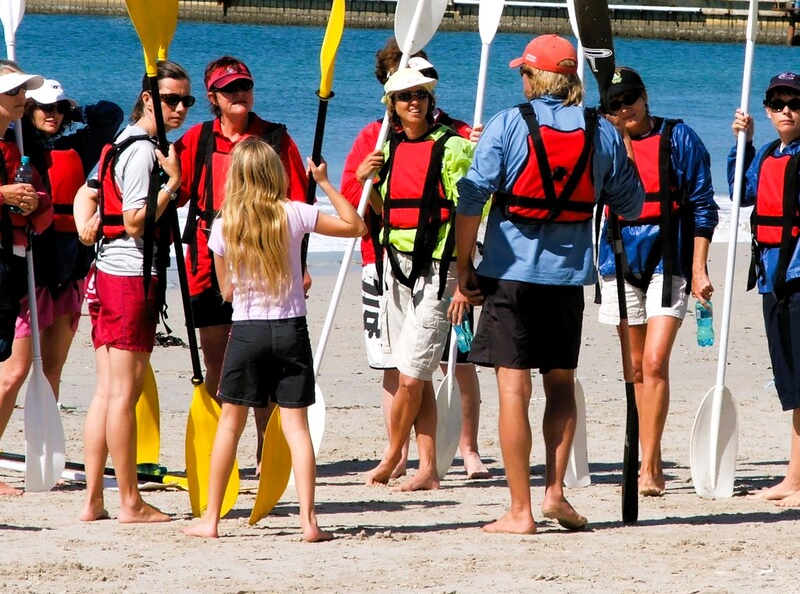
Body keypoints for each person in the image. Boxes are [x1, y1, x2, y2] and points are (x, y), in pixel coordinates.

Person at [455, 35, 644, 534]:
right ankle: (555, 494)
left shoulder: (508, 124)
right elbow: (631, 205)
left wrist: (462, 267)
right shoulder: (601, 132)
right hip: (567, 279)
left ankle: (520, 511)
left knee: (513, 390)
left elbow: (472, 197)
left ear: (535, 78)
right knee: (560, 383)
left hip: (509, 275)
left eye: (523, 72)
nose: (519, 79)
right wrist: (621, 147)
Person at [182, 137, 366, 541]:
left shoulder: (224, 223)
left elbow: (226, 290)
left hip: (247, 332)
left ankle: (211, 521)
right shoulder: (295, 213)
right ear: (276, 173)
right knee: (296, 429)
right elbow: (356, 225)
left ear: (237, 176)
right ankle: (308, 522)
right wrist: (325, 182)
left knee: (230, 426)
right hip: (290, 329)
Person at [340, 39, 488, 480]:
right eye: (404, 92)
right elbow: (368, 209)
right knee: (408, 369)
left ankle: (406, 453)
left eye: (421, 91)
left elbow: (474, 208)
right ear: (389, 93)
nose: (414, 99)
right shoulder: (378, 142)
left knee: (426, 369)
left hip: (442, 271)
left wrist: (465, 277)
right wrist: (360, 181)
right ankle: (425, 465)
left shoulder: (457, 139)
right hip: (391, 265)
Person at [74, 60, 193, 523]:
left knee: (106, 393)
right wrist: (175, 185)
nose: (180, 108)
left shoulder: (118, 141)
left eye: (186, 100)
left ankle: (93, 501)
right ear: (148, 100)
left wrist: (87, 226)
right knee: (124, 394)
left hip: (104, 275)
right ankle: (129, 501)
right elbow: (134, 221)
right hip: (129, 279)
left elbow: (89, 191)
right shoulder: (144, 151)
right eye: (170, 99)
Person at [176, 56, 308, 466]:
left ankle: (268, 448)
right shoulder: (196, 141)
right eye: (230, 89)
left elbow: (299, 207)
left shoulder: (276, 139)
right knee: (219, 363)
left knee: (265, 365)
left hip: (265, 263)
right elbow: (175, 195)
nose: (240, 94)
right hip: (206, 261)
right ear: (213, 97)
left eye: (245, 86)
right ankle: (222, 455)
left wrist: (299, 266)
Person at [596, 67, 718, 497]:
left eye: (630, 98)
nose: (624, 107)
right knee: (633, 368)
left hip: (670, 259)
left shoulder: (679, 139)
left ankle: (649, 466)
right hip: (619, 257)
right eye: (614, 103)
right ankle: (650, 450)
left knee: (654, 362)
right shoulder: (603, 142)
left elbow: (704, 207)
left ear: (645, 97)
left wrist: (700, 268)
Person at [0, 80, 122, 486]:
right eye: (43, 108)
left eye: (58, 109)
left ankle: (41, 451)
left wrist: (75, 106)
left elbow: (111, 114)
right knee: (14, 371)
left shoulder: (81, 144)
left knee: (52, 367)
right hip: (30, 266)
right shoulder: (20, 145)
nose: (51, 115)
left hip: (68, 269)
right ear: (29, 110)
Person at [731, 71, 800, 507]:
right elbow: (741, 191)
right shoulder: (769, 154)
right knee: (791, 381)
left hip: (798, 275)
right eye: (777, 104)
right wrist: (744, 144)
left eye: (794, 103)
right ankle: (795, 473)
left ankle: (795, 477)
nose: (786, 111)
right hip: (772, 278)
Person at [0, 63, 52, 497]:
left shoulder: (17, 142)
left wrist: (34, 201)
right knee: (10, 369)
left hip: (12, 261)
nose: (22, 97)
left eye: (23, 90)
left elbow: (37, 210)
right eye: (13, 90)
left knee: (11, 367)